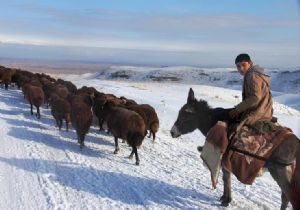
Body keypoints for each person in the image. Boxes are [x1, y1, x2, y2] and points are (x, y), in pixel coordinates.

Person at [228, 53, 273, 134]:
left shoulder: (252, 75)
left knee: (229, 130)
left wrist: (237, 109)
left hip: (258, 113)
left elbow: (255, 98)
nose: (241, 68)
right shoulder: (255, 73)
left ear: (250, 63)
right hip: (263, 110)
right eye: (238, 66)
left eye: (243, 65)